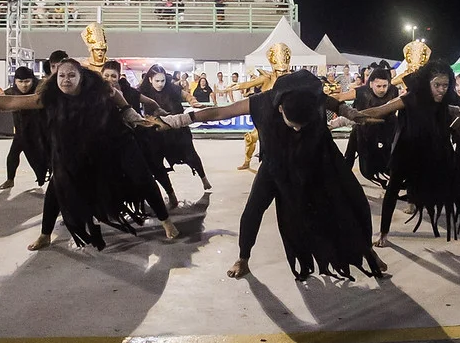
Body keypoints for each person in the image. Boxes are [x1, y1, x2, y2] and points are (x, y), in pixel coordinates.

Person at [154, 69, 386, 281]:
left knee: (349, 201)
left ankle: (367, 252)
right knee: (253, 209)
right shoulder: (261, 102)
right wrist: (176, 121)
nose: (297, 129)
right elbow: (218, 112)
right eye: (293, 125)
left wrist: (351, 113)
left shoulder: (311, 96)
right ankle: (243, 258)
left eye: (302, 125)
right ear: (281, 108)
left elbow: (330, 101)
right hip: (276, 163)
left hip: (315, 159)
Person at [0, 59, 179, 251]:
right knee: (58, 184)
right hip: (77, 147)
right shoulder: (48, 97)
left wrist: (132, 115)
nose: (66, 79)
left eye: (71, 75)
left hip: (113, 142)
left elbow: (120, 99)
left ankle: (166, 221)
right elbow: (10, 102)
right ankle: (45, 234)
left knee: (141, 177)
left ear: (80, 77)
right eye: (61, 75)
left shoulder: (100, 89)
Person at [364, 60, 460, 246]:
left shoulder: (445, 101)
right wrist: (349, 116)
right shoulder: (411, 98)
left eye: (445, 85)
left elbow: (456, 114)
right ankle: (383, 232)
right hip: (408, 151)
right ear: (427, 83)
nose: (441, 90)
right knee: (392, 189)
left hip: (439, 150)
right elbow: (380, 111)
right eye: (437, 85)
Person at [100, 61, 180, 209]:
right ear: (101, 75)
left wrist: (159, 113)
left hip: (137, 136)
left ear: (119, 76)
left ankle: (170, 195)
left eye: (113, 76)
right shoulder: (96, 93)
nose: (109, 79)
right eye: (106, 75)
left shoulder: (129, 91)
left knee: (154, 167)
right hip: (111, 140)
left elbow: (150, 102)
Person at [139, 64, 211, 190]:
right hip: (157, 131)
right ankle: (170, 193)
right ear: (150, 79)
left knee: (191, 155)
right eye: (157, 81)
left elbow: (187, 95)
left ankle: (204, 179)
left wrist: (193, 101)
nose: (160, 84)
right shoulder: (143, 91)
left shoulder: (171, 88)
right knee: (156, 162)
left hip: (178, 130)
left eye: (162, 80)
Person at [334, 67, 398, 186]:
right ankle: (343, 182)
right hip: (364, 129)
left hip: (388, 129)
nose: (382, 89)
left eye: (385, 86)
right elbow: (339, 97)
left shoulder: (394, 91)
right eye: (378, 86)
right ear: (371, 84)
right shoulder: (360, 92)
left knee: (390, 158)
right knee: (351, 156)